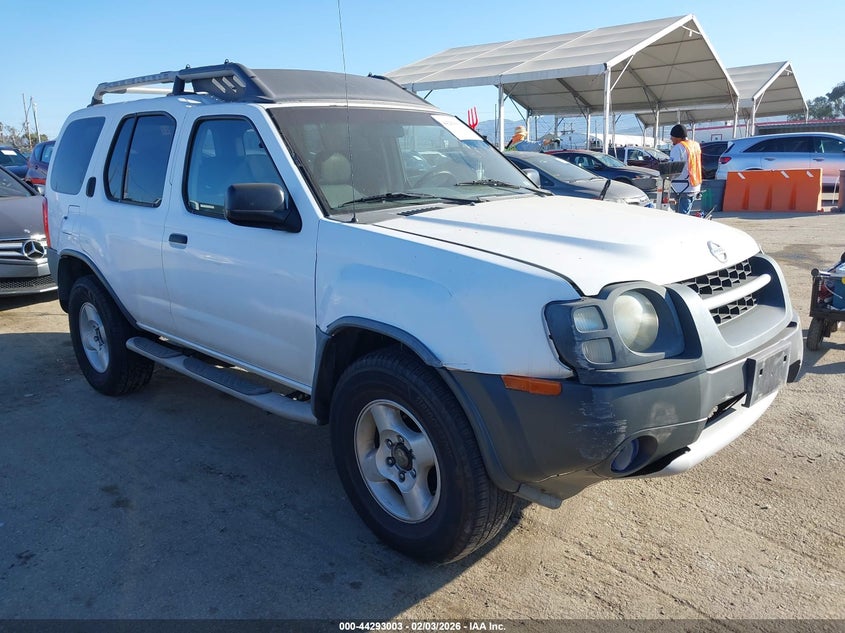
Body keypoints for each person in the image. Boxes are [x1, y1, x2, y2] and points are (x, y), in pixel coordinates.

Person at [668, 123, 702, 215]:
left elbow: (674, 168)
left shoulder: (678, 148)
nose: (671, 139)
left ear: (678, 137)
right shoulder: (695, 145)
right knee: (686, 214)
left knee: (681, 217)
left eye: (672, 136)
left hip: (682, 186)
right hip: (695, 184)